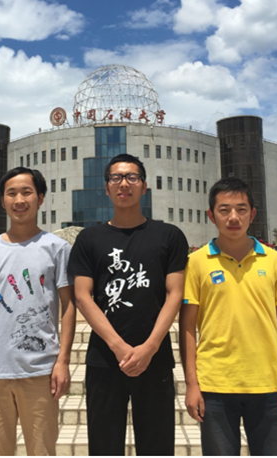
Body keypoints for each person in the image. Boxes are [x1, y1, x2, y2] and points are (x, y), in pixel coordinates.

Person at [68, 153, 189, 456]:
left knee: (157, 446)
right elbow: (83, 296)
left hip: (155, 358)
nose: (124, 183)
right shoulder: (89, 239)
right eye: (116, 178)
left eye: (132, 177)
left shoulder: (169, 236)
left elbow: (175, 294)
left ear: (144, 186)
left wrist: (149, 347)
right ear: (106, 188)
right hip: (105, 359)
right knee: (104, 446)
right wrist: (119, 346)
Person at [180, 177, 277, 456]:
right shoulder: (196, 262)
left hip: (268, 384)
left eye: (241, 209)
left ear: (253, 214)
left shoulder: (274, 260)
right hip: (214, 384)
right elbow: (187, 327)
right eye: (224, 210)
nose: (233, 217)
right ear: (211, 215)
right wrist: (192, 384)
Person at [0, 167, 75, 456]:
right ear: (2, 201)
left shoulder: (57, 248)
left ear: (41, 198)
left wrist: (63, 361)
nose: (19, 200)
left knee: (42, 451)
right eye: (11, 193)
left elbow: (69, 306)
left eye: (27, 192)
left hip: (41, 370)